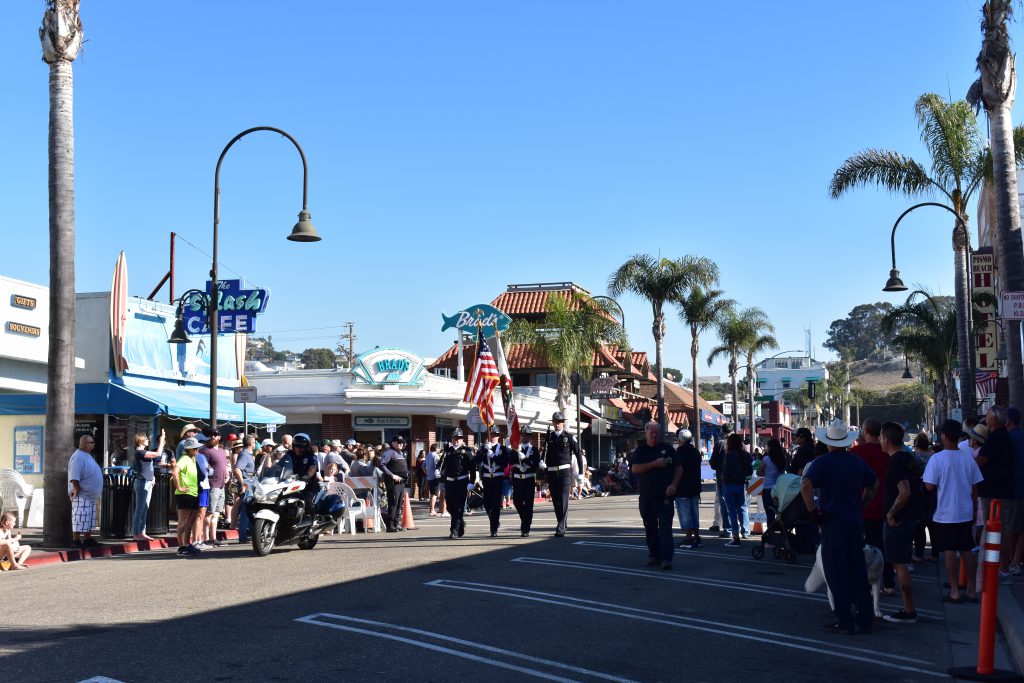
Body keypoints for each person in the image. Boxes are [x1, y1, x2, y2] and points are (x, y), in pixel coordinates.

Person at [801, 418, 879, 635]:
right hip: (854, 520)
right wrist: (862, 505)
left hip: (833, 521)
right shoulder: (856, 461)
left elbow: (806, 484)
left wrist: (813, 512)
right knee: (857, 569)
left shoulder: (823, 462)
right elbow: (874, 484)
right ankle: (865, 619)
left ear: (828, 442)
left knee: (837, 572)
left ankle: (844, 619)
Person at [924, 419, 983, 603]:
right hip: (965, 511)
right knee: (966, 550)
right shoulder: (968, 457)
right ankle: (972, 590)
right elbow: (975, 486)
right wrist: (973, 509)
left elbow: (929, 486)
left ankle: (955, 591)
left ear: (943, 436)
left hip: (945, 513)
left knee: (949, 551)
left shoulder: (937, 458)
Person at [879, 421, 922, 624]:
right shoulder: (908, 457)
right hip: (910, 518)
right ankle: (908, 607)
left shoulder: (897, 461)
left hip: (899, 521)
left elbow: (904, 492)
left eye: (880, 437)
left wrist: (891, 513)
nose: (880, 440)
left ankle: (908, 609)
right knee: (900, 562)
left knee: (899, 564)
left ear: (886, 439)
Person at [629, 421, 681, 570]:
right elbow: (635, 469)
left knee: (665, 528)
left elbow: (679, 468)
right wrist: (654, 464)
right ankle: (654, 555)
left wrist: (674, 485)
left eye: (657, 432)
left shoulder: (668, 449)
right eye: (651, 432)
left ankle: (666, 558)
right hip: (647, 496)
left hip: (664, 496)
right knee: (650, 527)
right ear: (646, 433)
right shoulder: (640, 450)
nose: (654, 435)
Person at [850, 417, 894, 594]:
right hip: (889, 505)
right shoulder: (890, 452)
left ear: (865, 431)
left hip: (865, 505)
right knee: (886, 547)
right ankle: (889, 583)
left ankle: (867, 583)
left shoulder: (856, 452)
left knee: (866, 548)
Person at [977, 405, 1018, 580]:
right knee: (1001, 529)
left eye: (988, 415)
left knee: (994, 529)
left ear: (994, 419)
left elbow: (981, 461)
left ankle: (997, 567)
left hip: (994, 492)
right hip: (1004, 489)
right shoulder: (1003, 437)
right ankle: (1002, 566)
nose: (986, 418)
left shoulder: (995, 438)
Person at [542, 411, 583, 537]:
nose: (557, 424)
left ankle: (560, 527)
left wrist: (580, 472)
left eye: (559, 422)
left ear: (563, 422)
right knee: (556, 501)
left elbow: (578, 454)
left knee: (564, 499)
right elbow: (544, 453)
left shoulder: (569, 437)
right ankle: (563, 522)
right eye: (555, 422)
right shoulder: (549, 437)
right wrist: (542, 464)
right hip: (552, 472)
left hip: (565, 472)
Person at [474, 425, 511, 537]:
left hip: (497, 477)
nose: (493, 437)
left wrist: (493, 456)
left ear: (498, 436)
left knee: (495, 503)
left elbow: (504, 464)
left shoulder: (503, 449)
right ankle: (494, 521)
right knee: (486, 503)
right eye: (491, 434)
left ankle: (493, 528)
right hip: (486, 477)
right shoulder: (484, 447)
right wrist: (482, 451)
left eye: (495, 435)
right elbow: (476, 461)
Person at [68, 434, 103, 550]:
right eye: (92, 442)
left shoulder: (86, 455)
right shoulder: (78, 457)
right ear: (85, 444)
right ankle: (76, 540)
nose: (94, 444)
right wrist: (76, 488)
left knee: (88, 519)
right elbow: (74, 474)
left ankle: (88, 539)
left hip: (90, 496)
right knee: (80, 517)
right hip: (82, 494)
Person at [439, 428, 475, 539]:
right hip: (449, 482)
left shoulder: (467, 451)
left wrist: (471, 482)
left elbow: (472, 468)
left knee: (458, 507)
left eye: (458, 438)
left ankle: (454, 530)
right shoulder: (447, 451)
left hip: (462, 482)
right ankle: (460, 523)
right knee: (450, 506)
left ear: (461, 439)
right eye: (454, 438)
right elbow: (442, 464)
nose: (456, 440)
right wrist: (437, 470)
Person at [130, 429, 166, 541]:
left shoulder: (143, 452)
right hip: (142, 482)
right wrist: (161, 441)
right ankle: (136, 533)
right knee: (140, 508)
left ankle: (142, 532)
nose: (147, 440)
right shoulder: (139, 452)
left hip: (147, 481)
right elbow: (158, 454)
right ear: (140, 440)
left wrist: (152, 477)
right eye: (145, 439)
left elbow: (147, 467)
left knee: (145, 508)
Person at [719, 433, 752, 548]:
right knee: (742, 508)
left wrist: (723, 478)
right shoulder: (746, 455)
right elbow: (750, 472)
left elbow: (726, 470)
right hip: (740, 484)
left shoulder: (729, 455)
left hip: (729, 485)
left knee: (731, 511)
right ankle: (746, 531)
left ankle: (735, 536)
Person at [172, 437, 202, 557]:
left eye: (197, 448)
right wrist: (179, 487)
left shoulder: (192, 459)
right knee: (183, 522)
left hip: (193, 493)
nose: (197, 450)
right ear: (188, 449)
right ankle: (181, 547)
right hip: (185, 494)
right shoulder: (184, 458)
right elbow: (175, 471)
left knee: (190, 521)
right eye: (195, 448)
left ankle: (186, 544)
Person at [674, 429, 703, 549]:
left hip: (682, 488)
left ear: (680, 439)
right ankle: (697, 537)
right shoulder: (696, 452)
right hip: (695, 487)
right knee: (694, 513)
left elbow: (675, 470)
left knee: (686, 514)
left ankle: (688, 538)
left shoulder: (678, 453)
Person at [911, 431, 937, 563]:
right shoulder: (934, 457)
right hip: (933, 490)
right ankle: (935, 554)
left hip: (919, 491)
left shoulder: (915, 457)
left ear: (916, 445)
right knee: (933, 523)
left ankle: (919, 554)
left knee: (920, 524)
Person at [511, 428, 541, 537]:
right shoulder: (515, 449)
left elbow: (535, 465)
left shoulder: (534, 450)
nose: (524, 437)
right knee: (517, 502)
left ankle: (525, 528)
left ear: (530, 437)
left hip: (528, 479)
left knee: (528, 505)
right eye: (522, 435)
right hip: (517, 479)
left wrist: (525, 459)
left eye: (526, 435)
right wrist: (513, 451)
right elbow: (510, 462)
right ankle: (525, 520)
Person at [379, 435, 410, 532]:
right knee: (393, 503)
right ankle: (390, 525)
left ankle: (396, 524)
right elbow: (382, 465)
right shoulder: (389, 452)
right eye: (398, 442)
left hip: (401, 482)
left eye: (402, 442)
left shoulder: (400, 453)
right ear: (393, 443)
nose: (401, 444)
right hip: (393, 482)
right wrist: (392, 475)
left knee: (399, 503)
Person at [204, 432, 230, 547]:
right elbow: (203, 466)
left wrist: (227, 474)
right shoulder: (206, 451)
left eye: (215, 435)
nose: (212, 437)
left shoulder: (221, 450)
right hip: (212, 485)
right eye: (211, 435)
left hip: (221, 485)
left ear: (219, 437)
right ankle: (206, 538)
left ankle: (213, 538)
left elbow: (224, 465)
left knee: (216, 514)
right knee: (209, 513)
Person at [1006, 407, 1024, 576]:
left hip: (1013, 488)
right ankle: (1016, 560)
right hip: (1019, 486)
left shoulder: (1008, 438)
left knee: (1011, 527)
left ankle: (1013, 561)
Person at [758, 438, 788, 528]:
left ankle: (770, 534)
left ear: (770, 447)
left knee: (769, 513)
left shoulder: (766, 459)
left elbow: (758, 472)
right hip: (780, 489)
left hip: (768, 488)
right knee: (780, 511)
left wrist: (767, 474)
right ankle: (781, 532)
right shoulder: (783, 459)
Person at [233, 435, 257, 543]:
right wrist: (243, 483)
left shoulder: (247, 454)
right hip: (247, 484)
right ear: (251, 443)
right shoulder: (244, 454)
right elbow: (237, 470)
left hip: (250, 483)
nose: (255, 444)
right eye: (254, 442)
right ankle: (243, 536)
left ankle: (251, 534)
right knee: (245, 510)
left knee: (250, 509)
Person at [425, 443, 442, 516]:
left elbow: (423, 466)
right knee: (434, 494)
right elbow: (438, 465)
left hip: (429, 477)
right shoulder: (435, 455)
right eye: (438, 448)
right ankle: (432, 510)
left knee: (432, 494)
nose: (439, 449)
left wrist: (427, 473)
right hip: (435, 477)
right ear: (436, 449)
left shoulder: (428, 455)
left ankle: (432, 509)